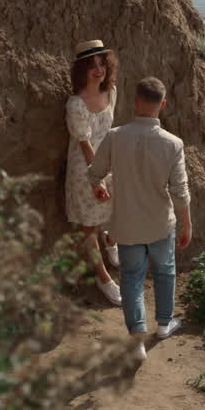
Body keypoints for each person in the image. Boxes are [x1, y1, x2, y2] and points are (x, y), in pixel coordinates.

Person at [88, 76, 192, 362]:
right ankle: (163, 325)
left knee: (132, 279)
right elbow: (180, 191)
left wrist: (99, 187)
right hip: (160, 224)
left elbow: (94, 173)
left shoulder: (115, 136)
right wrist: (187, 223)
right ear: (163, 104)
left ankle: (137, 342)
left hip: (127, 225)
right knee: (164, 272)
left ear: (135, 102)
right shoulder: (173, 144)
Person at [65, 39, 122, 305]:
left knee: (116, 207)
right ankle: (103, 278)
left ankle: (111, 240)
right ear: (82, 71)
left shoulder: (111, 92)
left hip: (109, 158)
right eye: (91, 66)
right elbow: (86, 146)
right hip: (85, 167)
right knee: (89, 224)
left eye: (101, 64)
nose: (98, 70)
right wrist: (96, 178)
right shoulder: (76, 104)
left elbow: (110, 129)